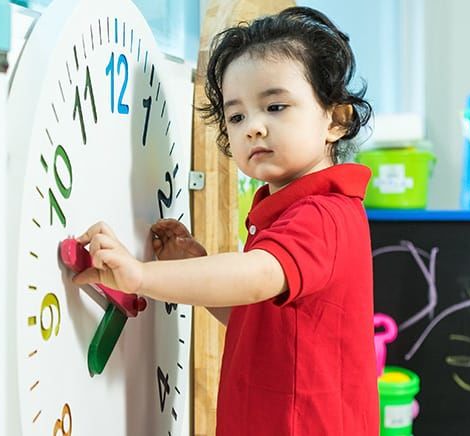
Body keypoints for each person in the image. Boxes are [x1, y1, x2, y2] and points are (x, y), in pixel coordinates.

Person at [73, 6, 378, 435]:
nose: (253, 127)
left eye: (275, 106)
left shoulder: (323, 213)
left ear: (336, 120)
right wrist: (193, 262)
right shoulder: (282, 213)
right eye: (237, 116)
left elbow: (256, 277)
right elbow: (254, 320)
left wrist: (139, 276)